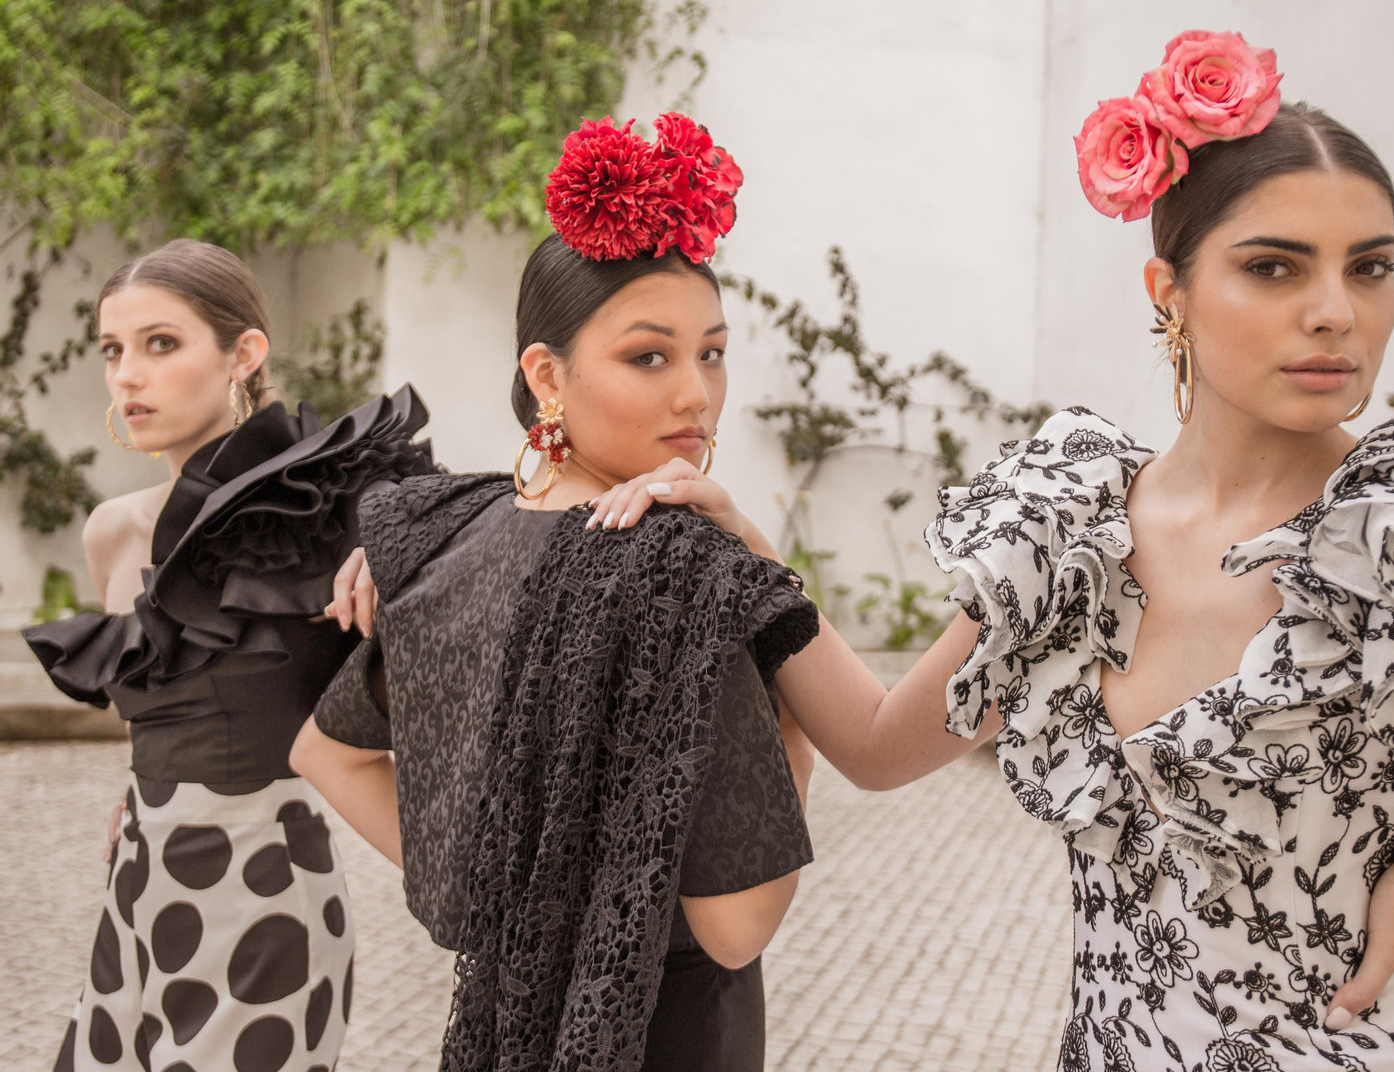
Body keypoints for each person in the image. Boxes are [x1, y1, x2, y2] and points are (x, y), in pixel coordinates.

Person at [577, 32, 1394, 1071]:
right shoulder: (1072, 534)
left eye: (1369, 267)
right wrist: (740, 546)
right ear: (1169, 291)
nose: (1336, 311)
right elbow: (881, 745)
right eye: (1273, 266)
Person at [290, 113, 819, 1072]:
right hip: (667, 1029)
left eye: (712, 350)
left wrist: (510, 887)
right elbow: (739, 925)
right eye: (649, 356)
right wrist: (777, 642)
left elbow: (328, 753)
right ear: (547, 374)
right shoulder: (680, 573)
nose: (697, 393)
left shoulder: (451, 534)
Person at [24, 239, 435, 1072]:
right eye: (113, 350)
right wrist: (136, 799)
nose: (127, 376)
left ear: (244, 353)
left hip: (266, 899)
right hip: (140, 889)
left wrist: (395, 558)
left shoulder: (324, 516)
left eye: (161, 343)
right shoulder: (113, 532)